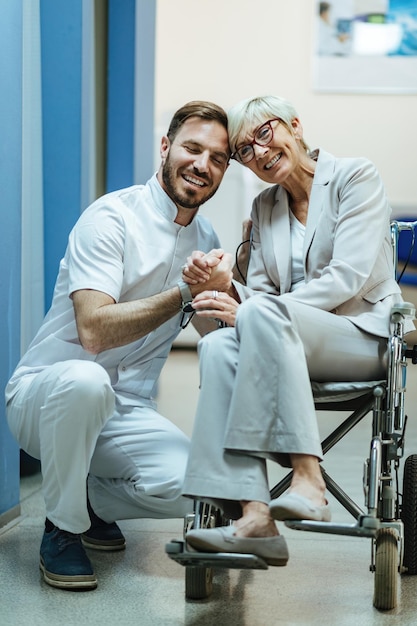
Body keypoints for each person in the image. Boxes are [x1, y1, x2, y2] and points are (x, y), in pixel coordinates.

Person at [5, 100, 235, 590]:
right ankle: (62, 529)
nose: (202, 165)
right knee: (86, 380)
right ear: (166, 146)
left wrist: (229, 301)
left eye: (217, 158)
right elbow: (93, 331)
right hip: (48, 394)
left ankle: (90, 500)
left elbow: (210, 332)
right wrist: (185, 293)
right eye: (192, 148)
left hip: (126, 408)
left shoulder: (207, 235)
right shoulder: (111, 217)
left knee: (205, 492)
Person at [179, 94, 414, 565]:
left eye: (265, 134)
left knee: (256, 315)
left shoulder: (355, 177)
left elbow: (346, 277)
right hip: (287, 342)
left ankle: (310, 480)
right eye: (245, 151)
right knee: (220, 347)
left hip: (361, 337)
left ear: (294, 126)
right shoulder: (266, 207)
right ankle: (252, 514)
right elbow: (262, 289)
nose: (259, 153)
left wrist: (246, 303)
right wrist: (226, 287)